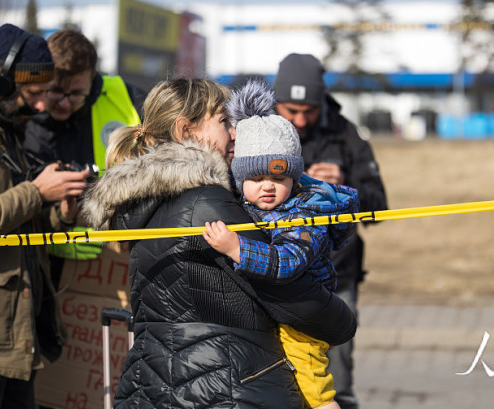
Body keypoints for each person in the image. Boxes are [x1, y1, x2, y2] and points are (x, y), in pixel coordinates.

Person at [81, 77, 356, 408]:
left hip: (154, 385)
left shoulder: (143, 202)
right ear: (186, 131)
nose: (234, 133)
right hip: (225, 386)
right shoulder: (208, 203)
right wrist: (343, 318)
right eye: (224, 121)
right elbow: (294, 299)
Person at [203, 81, 359, 409]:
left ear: (295, 179)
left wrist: (237, 249)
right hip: (277, 313)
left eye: (279, 179)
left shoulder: (307, 213)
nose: (268, 188)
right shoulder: (247, 204)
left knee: (311, 380)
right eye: (256, 180)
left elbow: (287, 262)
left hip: (302, 318)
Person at [274, 53, 389, 409]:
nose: (299, 119)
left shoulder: (345, 134)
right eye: (290, 111)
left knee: (336, 384)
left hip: (338, 276)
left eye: (307, 110)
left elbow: (379, 204)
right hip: (276, 276)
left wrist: (344, 186)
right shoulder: (261, 131)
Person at [0, 23, 90, 409]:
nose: (43, 106)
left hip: (18, 335)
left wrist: (61, 211)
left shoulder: (10, 133)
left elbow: (18, 224)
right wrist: (36, 192)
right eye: (33, 94)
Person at [22, 29, 146, 266]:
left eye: (76, 94)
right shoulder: (23, 113)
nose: (64, 103)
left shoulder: (127, 98)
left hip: (113, 263)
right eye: (55, 91)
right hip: (44, 264)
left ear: (92, 80)